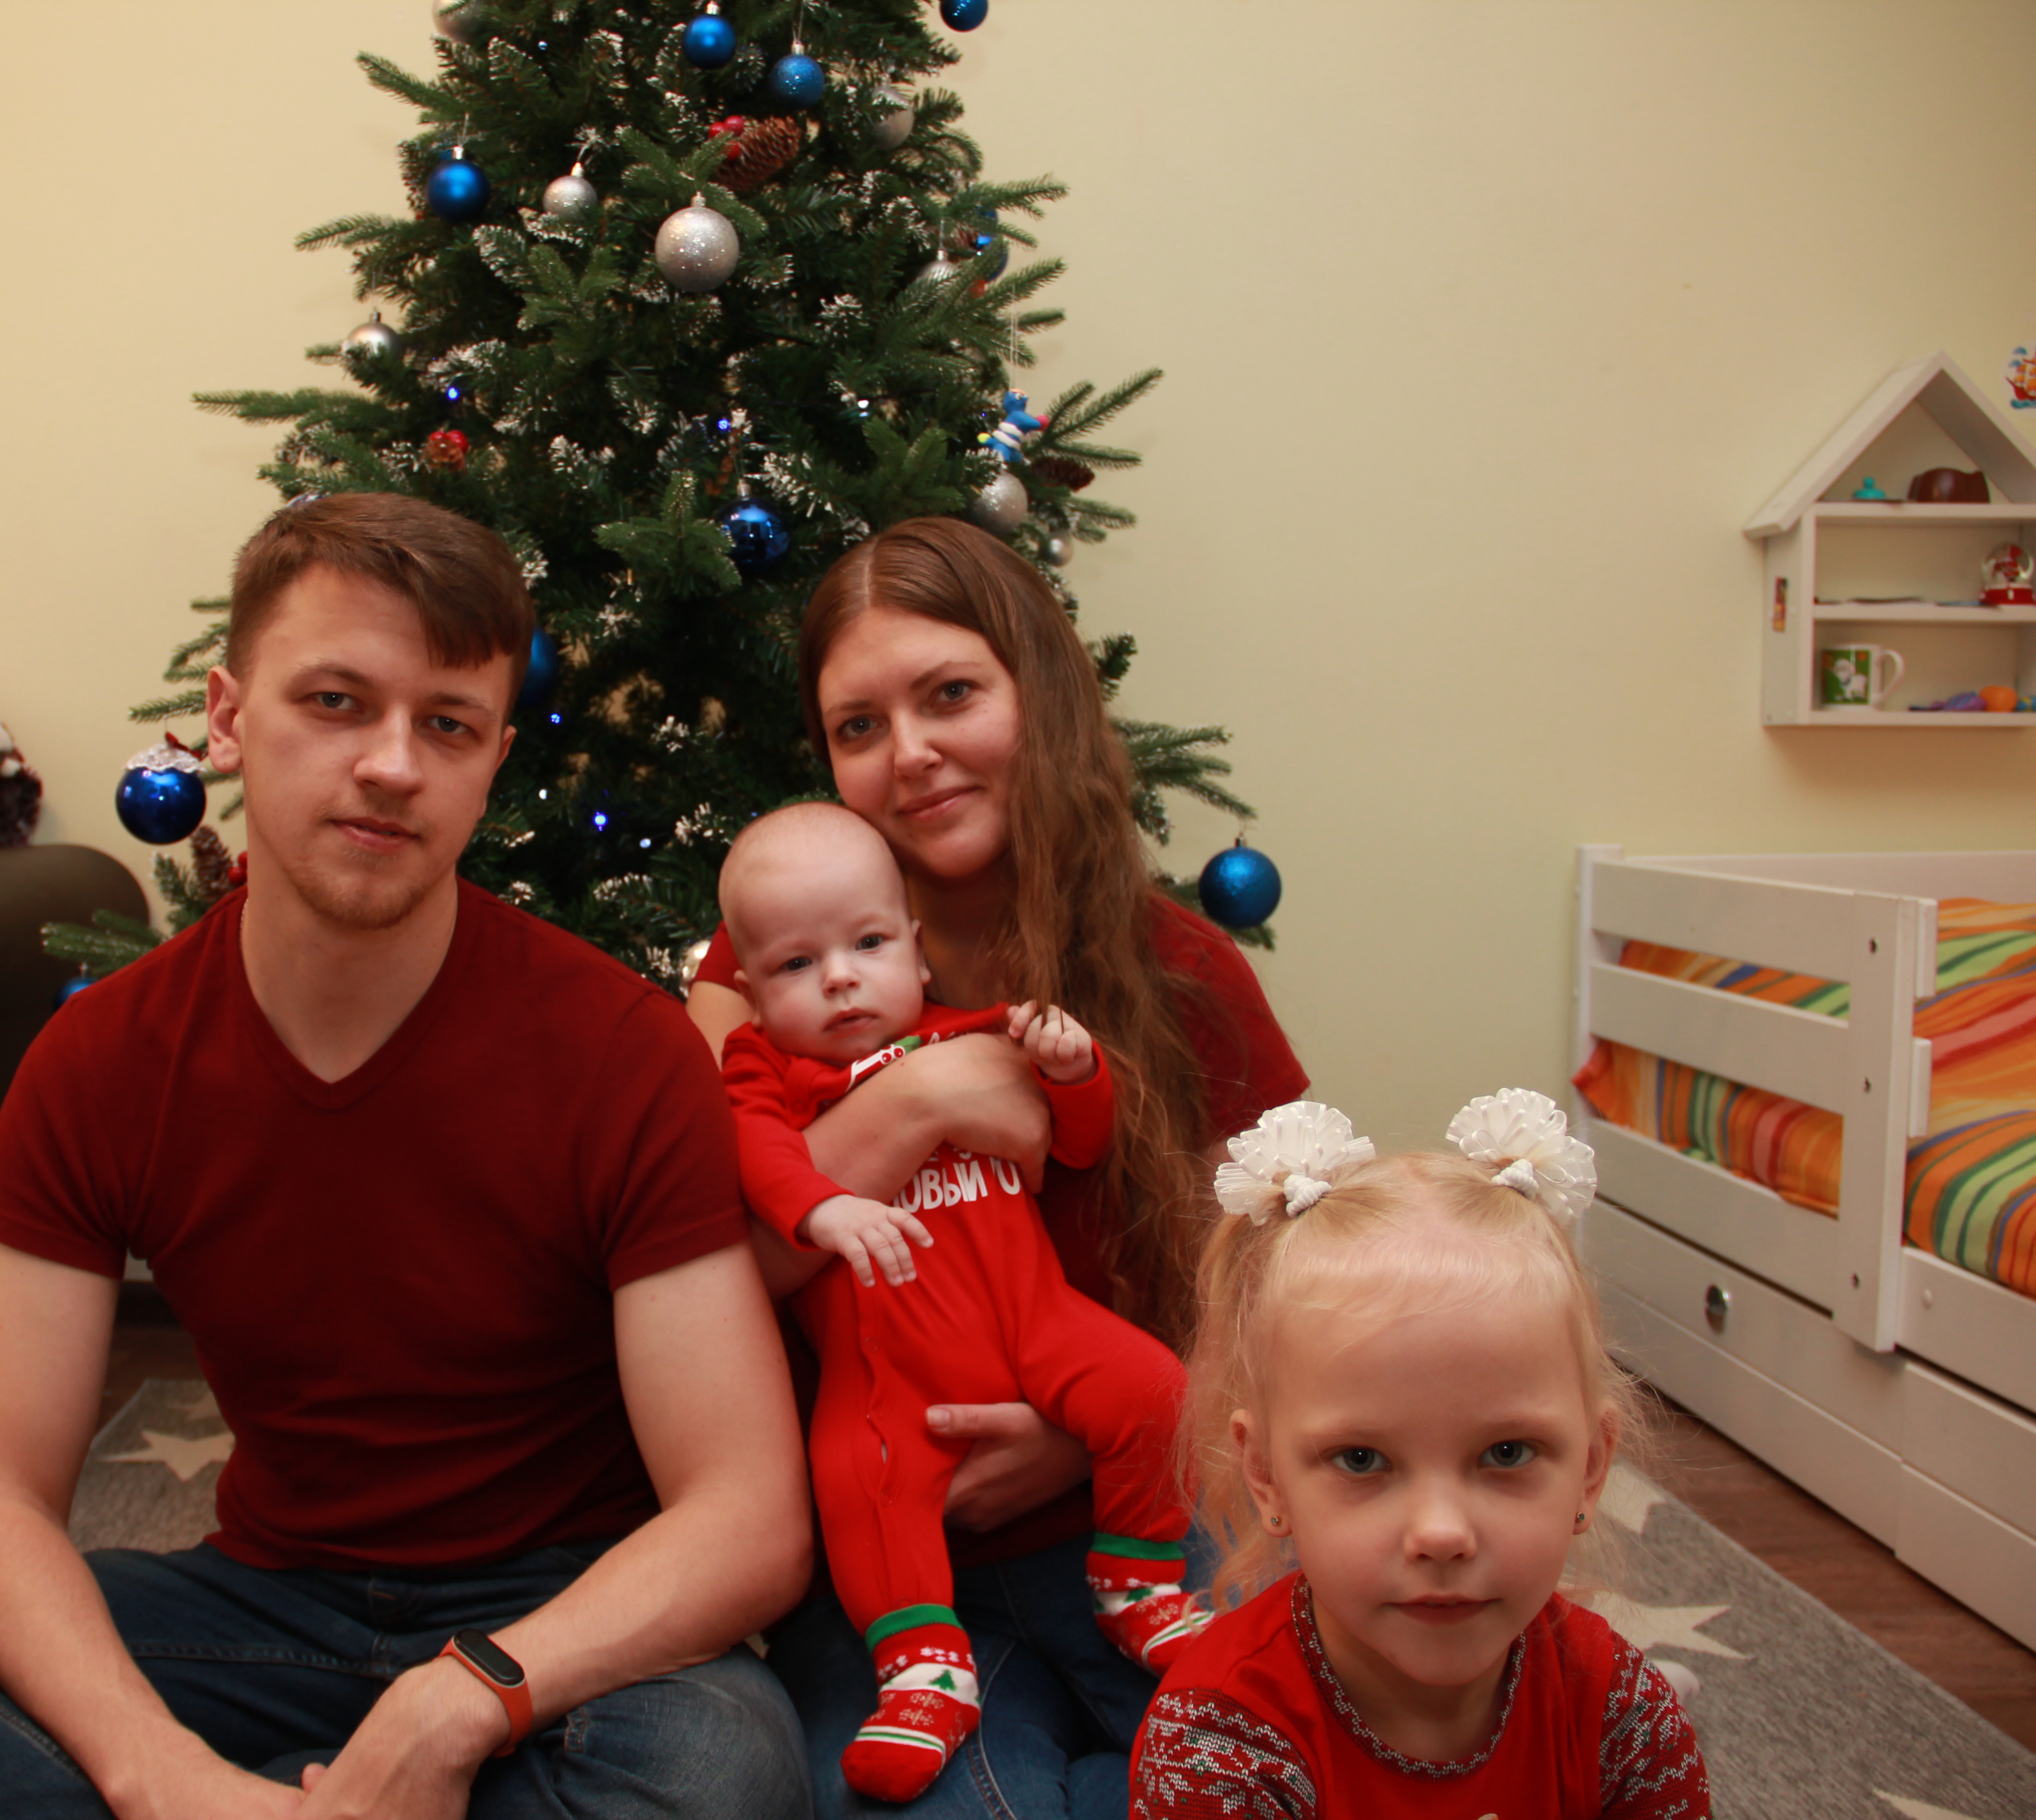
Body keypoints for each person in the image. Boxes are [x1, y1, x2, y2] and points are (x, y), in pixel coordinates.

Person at [0, 491, 816, 1820]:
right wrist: (164, 1778)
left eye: (446, 724)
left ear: (492, 760)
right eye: (335, 702)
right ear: (228, 716)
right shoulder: (103, 1061)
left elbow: (747, 1516)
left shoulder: (619, 1045)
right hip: (262, 1613)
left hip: (551, 1624)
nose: (391, 764)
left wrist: (462, 1697)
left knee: (719, 1774)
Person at [687, 516, 1308, 1816]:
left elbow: (1279, 1311)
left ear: (1040, 693)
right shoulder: (757, 976)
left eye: (950, 695)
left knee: (1280, 1772)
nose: (909, 753)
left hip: (1147, 1521)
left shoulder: (1183, 971)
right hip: (894, 1564)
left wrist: (1085, 1440)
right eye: (859, 726)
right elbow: (709, 1285)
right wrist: (915, 1102)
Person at [717, 801, 1208, 1803]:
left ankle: (1137, 1580)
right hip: (889, 1375)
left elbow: (1077, 1142)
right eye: (797, 965)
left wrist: (1076, 1072)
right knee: (861, 1479)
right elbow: (753, 1154)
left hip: (1036, 1325)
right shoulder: (767, 1070)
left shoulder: (970, 1034)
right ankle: (920, 1669)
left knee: (1153, 1388)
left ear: (915, 950)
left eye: (866, 946)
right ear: (753, 997)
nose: (840, 977)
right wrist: (821, 1209)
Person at [1128, 1092, 1711, 1817]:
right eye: (1362, 1460)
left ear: (1591, 1470)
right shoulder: (1213, 1746)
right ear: (1266, 1476)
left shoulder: (1624, 1715)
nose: (1441, 1533)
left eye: (1506, 1453)